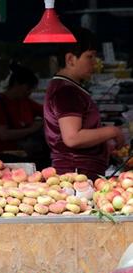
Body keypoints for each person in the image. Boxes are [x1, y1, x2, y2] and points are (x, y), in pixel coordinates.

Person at [44, 27, 125, 180]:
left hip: (78, 173)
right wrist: (113, 131)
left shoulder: (67, 87)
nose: (95, 63)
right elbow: (72, 138)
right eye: (90, 57)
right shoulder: (67, 91)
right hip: (77, 175)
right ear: (70, 59)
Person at [0, 62, 44, 154]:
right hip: (8, 153)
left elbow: (45, 111)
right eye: (28, 88)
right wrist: (31, 129)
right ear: (17, 84)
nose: (30, 92)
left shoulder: (25, 101)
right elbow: (3, 135)